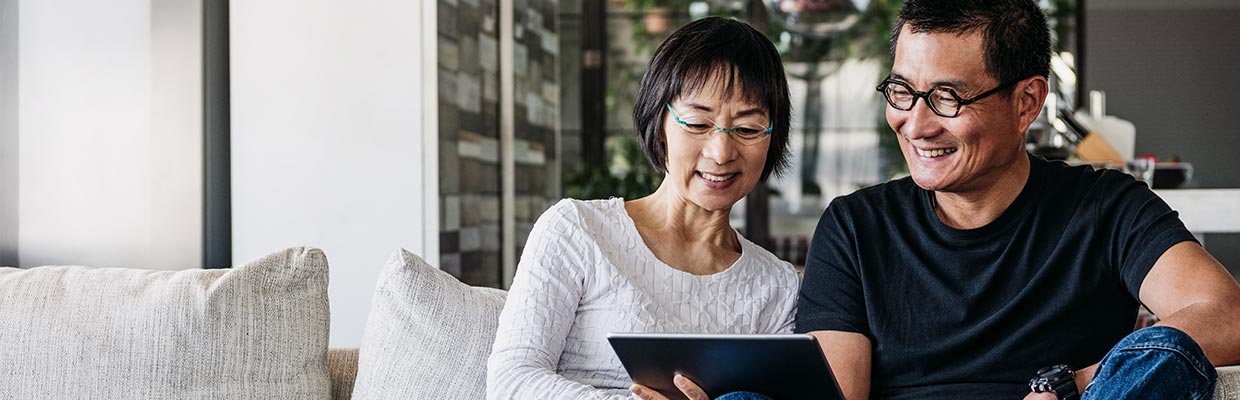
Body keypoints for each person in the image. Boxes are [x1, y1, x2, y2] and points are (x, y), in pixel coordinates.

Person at [795, 0, 1240, 399]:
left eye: (946, 98)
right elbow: (834, 394)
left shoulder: (1106, 207)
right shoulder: (854, 226)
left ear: (1027, 102)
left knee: (1170, 357)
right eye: (902, 92)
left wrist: (1074, 384)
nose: (916, 124)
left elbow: (1226, 314)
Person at [487, 17, 798, 400]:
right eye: (699, 122)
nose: (721, 152)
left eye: (748, 129)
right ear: (659, 120)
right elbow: (511, 382)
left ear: (772, 138)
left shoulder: (777, 286)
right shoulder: (577, 229)